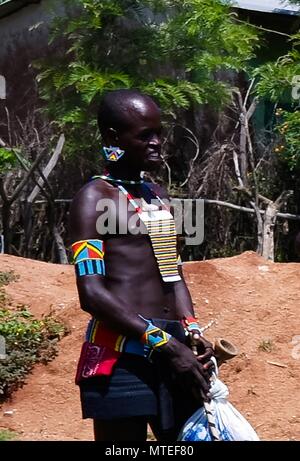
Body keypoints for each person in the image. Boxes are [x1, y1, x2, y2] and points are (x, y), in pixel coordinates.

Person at [69, 89, 214, 442]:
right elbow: (91, 293)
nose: (157, 142)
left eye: (159, 133)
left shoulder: (157, 196)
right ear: (112, 138)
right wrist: (160, 342)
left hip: (175, 353)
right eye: (145, 134)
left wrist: (191, 330)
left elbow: (172, 273)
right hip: (122, 359)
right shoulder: (93, 199)